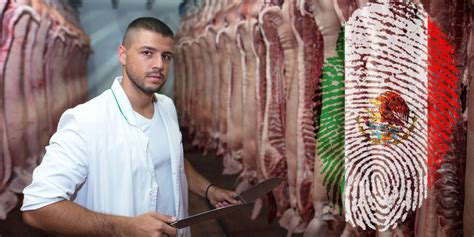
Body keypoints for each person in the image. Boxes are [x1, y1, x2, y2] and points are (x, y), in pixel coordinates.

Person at [21, 17, 239, 237]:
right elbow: (37, 207)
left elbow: (174, 160)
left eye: (166, 56)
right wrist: (123, 227)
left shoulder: (166, 107)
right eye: (147, 53)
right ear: (122, 55)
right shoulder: (85, 121)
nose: (158, 65)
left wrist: (209, 190)